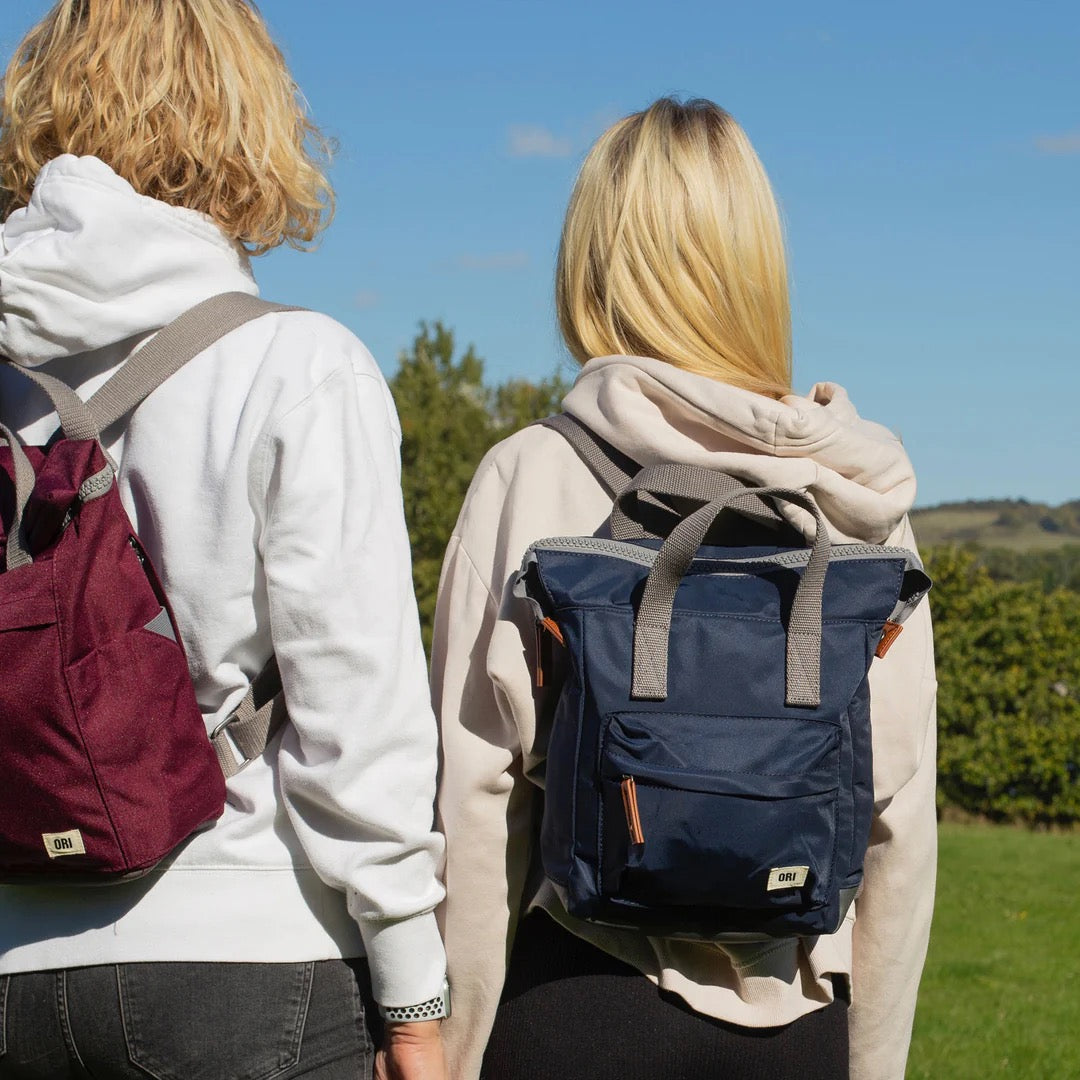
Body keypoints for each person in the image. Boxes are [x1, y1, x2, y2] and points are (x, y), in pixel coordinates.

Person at [432, 97, 937, 1080]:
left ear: (593, 266)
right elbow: (894, 822)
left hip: (577, 1007)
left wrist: (447, 1052)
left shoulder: (535, 473)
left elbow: (474, 803)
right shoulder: (863, 504)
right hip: (796, 1023)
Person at [0, 3, 447, 1078]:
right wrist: (415, 993)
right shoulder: (297, 365)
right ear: (244, 122)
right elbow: (359, 715)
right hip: (249, 961)